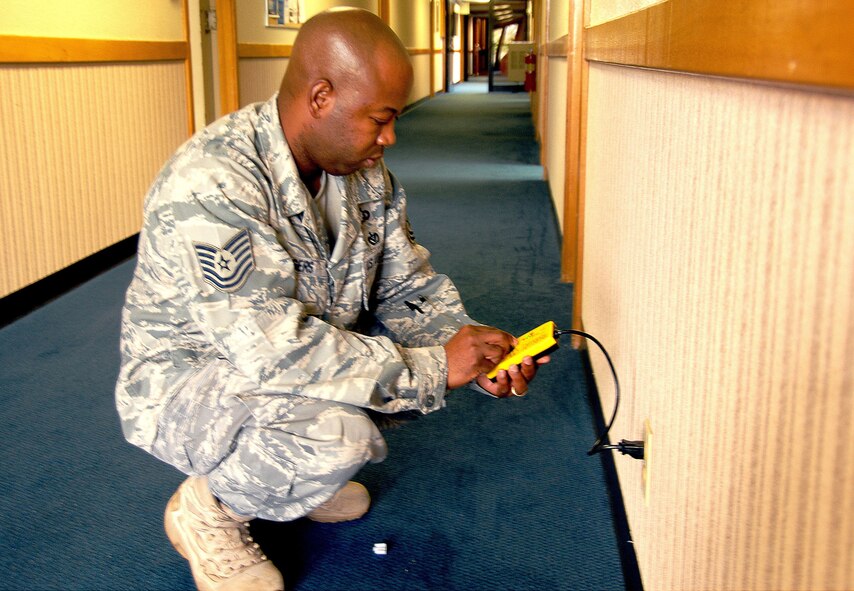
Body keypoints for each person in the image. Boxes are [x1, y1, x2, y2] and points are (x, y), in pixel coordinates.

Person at [115, 8, 547, 591]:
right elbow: (271, 351)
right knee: (342, 428)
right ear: (321, 96)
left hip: (290, 357)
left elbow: (406, 286)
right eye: (380, 119)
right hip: (188, 381)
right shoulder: (214, 183)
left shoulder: (363, 171)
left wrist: (472, 348)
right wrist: (435, 367)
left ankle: (294, 475)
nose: (391, 137)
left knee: (381, 386)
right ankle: (210, 508)